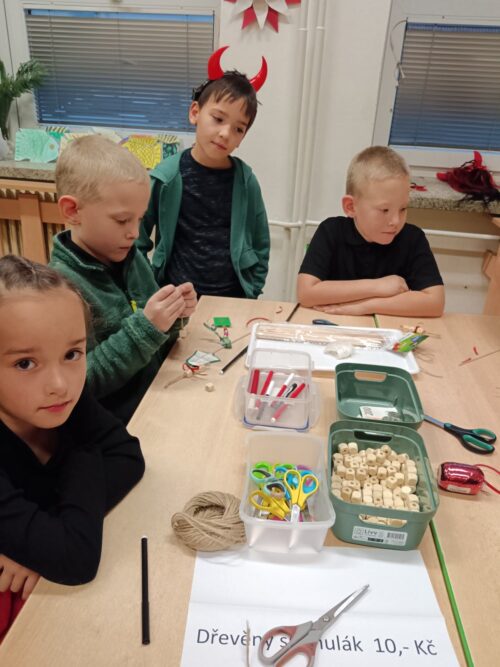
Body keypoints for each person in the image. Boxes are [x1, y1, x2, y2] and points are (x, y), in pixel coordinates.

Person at [0, 255, 145, 641]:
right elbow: (75, 559)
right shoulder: (60, 401)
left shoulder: (59, 402)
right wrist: (56, 530)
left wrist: (43, 532)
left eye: (72, 354)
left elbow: (129, 456)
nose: (60, 384)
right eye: (25, 363)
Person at [50, 135, 197, 423]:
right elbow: (81, 383)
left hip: (157, 400)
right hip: (117, 426)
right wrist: (147, 328)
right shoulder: (58, 290)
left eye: (139, 219)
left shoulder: (132, 257)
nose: (134, 233)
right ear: (72, 211)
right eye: (121, 220)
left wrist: (174, 316)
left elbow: (156, 338)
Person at [137, 50, 270, 299]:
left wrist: (252, 290)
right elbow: (137, 240)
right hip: (177, 300)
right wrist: (148, 292)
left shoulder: (246, 181)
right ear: (195, 113)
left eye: (238, 129)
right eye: (218, 119)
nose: (225, 133)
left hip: (233, 300)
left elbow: (261, 243)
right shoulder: (166, 177)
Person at [297, 146, 445, 317]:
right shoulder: (331, 231)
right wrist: (378, 286)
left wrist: (366, 306)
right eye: (384, 210)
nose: (396, 221)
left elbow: (435, 303)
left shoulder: (413, 238)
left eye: (403, 209)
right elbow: (306, 293)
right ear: (351, 207)